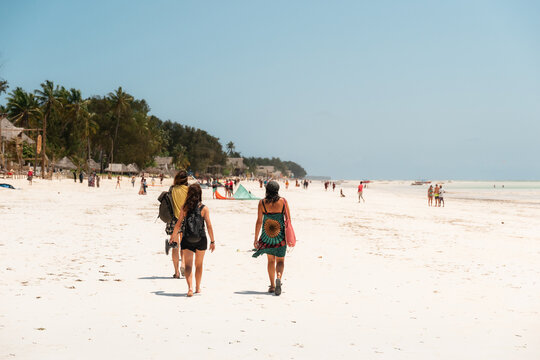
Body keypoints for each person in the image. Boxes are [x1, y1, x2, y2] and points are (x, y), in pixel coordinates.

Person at [170, 183, 215, 297]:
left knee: (188, 265)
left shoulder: (184, 207)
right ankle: (198, 288)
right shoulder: (204, 208)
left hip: (187, 238)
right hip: (201, 238)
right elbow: (209, 226)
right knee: (198, 265)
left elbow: (178, 224)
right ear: (200, 194)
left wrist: (173, 236)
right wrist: (213, 241)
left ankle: (190, 288)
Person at [253, 180, 290, 296]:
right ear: (277, 190)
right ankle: (278, 277)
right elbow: (288, 219)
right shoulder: (283, 202)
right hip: (280, 236)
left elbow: (259, 221)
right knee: (280, 260)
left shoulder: (262, 203)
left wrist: (255, 238)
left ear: (267, 190)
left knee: (270, 260)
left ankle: (272, 286)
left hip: (267, 235)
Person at [166, 171, 189, 279]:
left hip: (173, 219)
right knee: (184, 244)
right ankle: (183, 263)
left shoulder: (172, 189)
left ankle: (176, 272)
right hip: (186, 219)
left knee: (175, 246)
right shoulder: (188, 189)